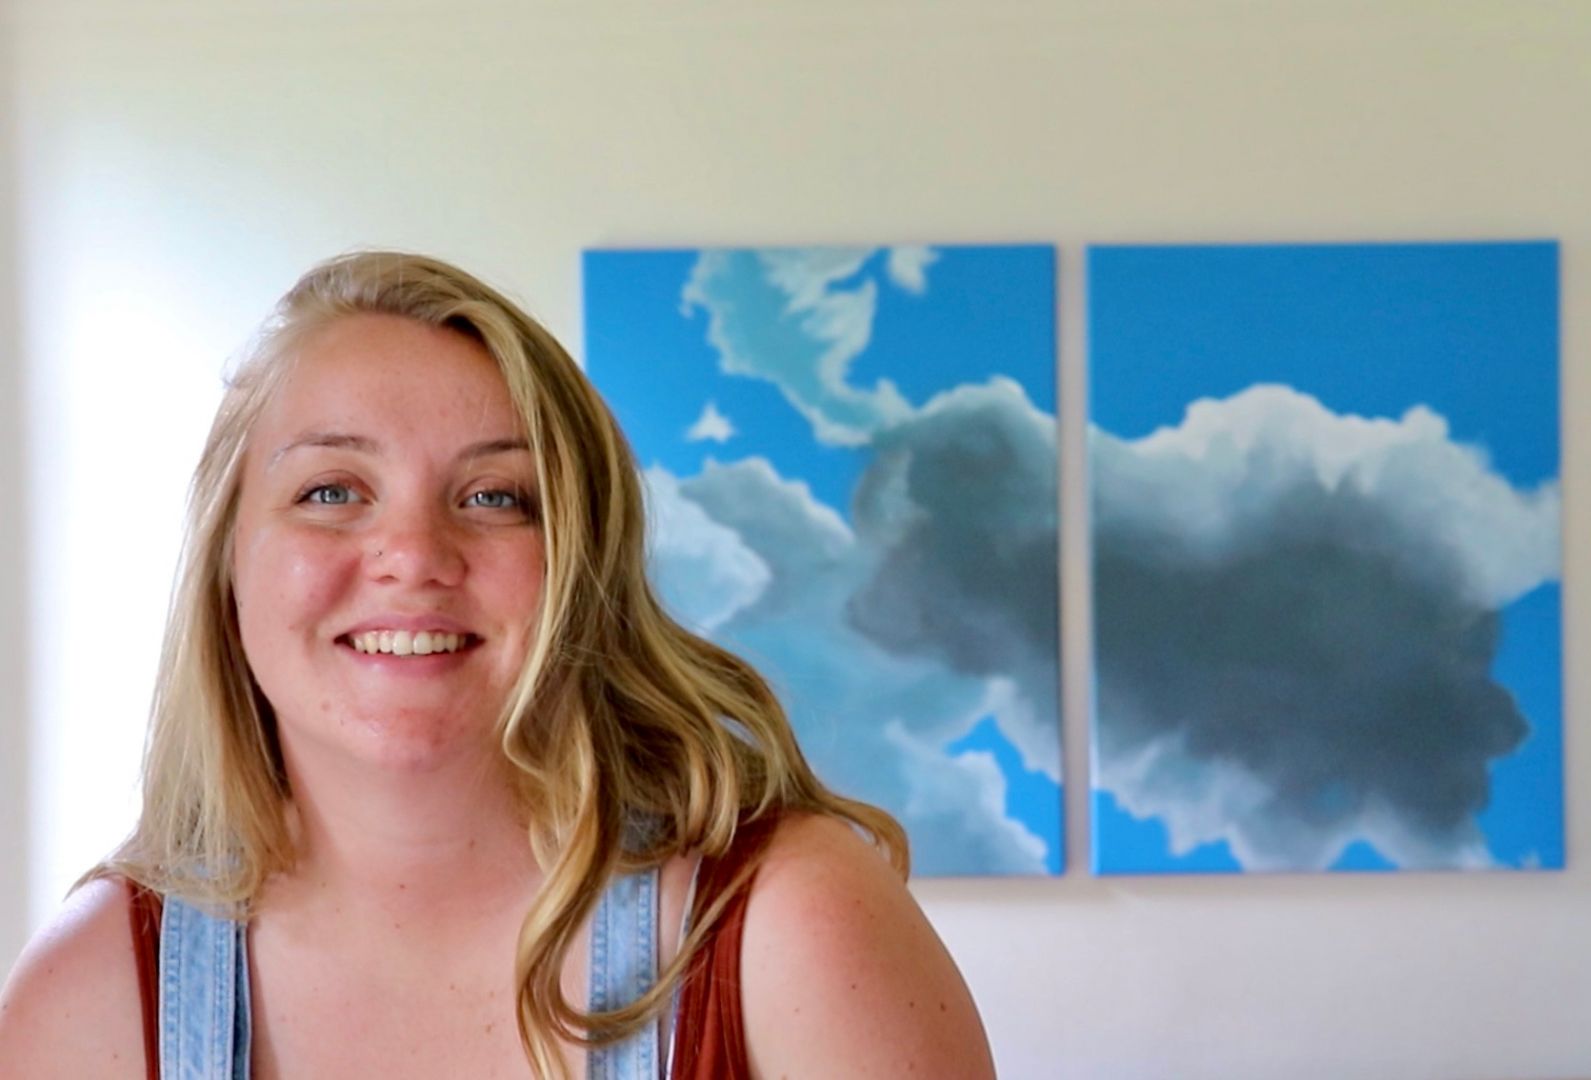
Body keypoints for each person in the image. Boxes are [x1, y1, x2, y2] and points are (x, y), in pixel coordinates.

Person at [0, 251, 996, 1079]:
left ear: (581, 567)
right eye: (332, 491)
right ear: (229, 559)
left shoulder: (790, 926)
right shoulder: (89, 996)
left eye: (494, 497)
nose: (413, 556)